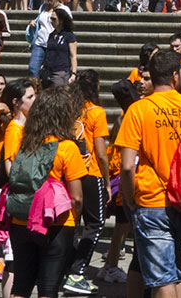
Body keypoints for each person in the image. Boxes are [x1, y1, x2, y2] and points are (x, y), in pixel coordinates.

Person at [115, 50, 181, 298]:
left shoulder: (138, 110)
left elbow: (128, 166)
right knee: (179, 276)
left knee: (161, 281)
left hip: (153, 199)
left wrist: (129, 197)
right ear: (176, 76)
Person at [4, 87, 85, 298]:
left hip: (21, 221)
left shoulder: (25, 143)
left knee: (20, 286)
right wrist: (75, 223)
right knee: (48, 289)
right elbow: (76, 197)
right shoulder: (67, 147)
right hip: (55, 225)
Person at [61, 70, 111, 295]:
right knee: (96, 223)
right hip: (91, 173)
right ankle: (77, 271)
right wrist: (108, 181)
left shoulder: (70, 111)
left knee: (73, 222)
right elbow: (101, 152)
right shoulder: (96, 112)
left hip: (70, 171)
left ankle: (66, 268)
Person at [41, 6, 77, 89]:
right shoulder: (51, 35)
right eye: (50, 18)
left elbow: (73, 56)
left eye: (54, 19)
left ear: (61, 21)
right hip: (48, 71)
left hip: (61, 71)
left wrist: (73, 73)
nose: (51, 21)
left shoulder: (69, 36)